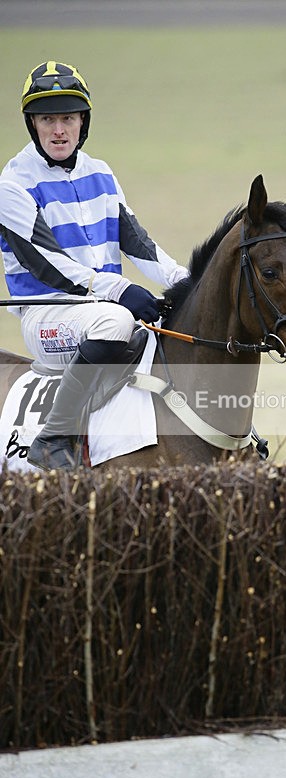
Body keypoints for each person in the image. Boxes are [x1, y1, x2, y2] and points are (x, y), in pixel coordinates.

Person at [0, 61, 189, 471]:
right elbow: (52, 267)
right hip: (49, 314)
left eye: (67, 118)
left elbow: (139, 245)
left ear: (83, 121)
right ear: (32, 124)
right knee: (115, 325)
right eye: (47, 119)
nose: (58, 131)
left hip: (104, 308)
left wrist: (189, 285)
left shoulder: (101, 174)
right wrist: (121, 290)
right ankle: (54, 437)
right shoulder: (12, 184)